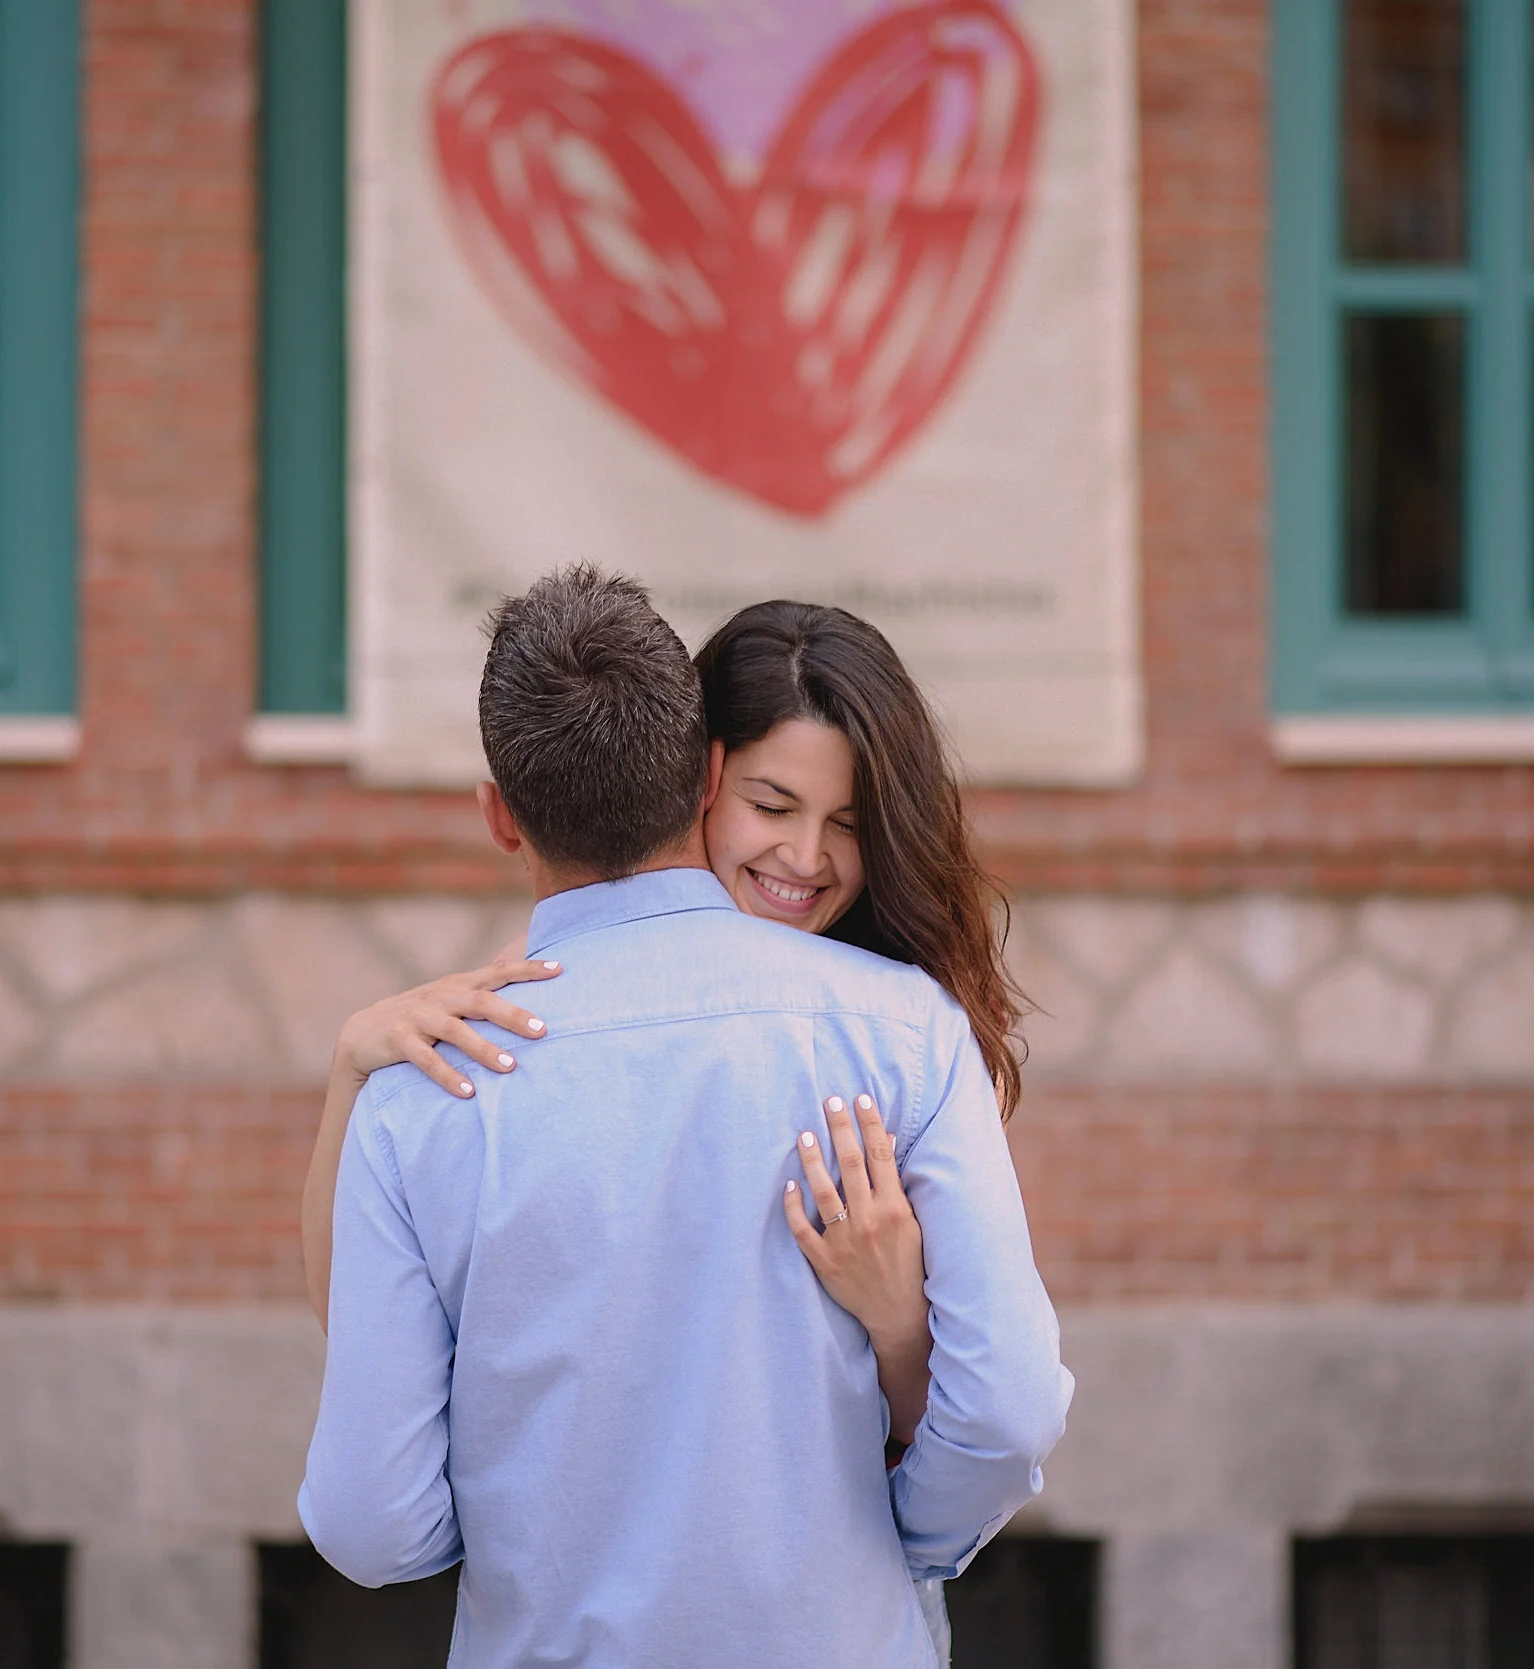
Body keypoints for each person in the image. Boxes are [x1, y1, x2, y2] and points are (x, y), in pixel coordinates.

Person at [298, 567, 1069, 1667]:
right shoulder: (904, 1033)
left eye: (842, 823)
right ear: (705, 775)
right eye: (774, 805)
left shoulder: (432, 1086)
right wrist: (898, 1552)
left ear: (499, 813)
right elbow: (1003, 1414)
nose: (803, 857)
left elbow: (376, 1516)